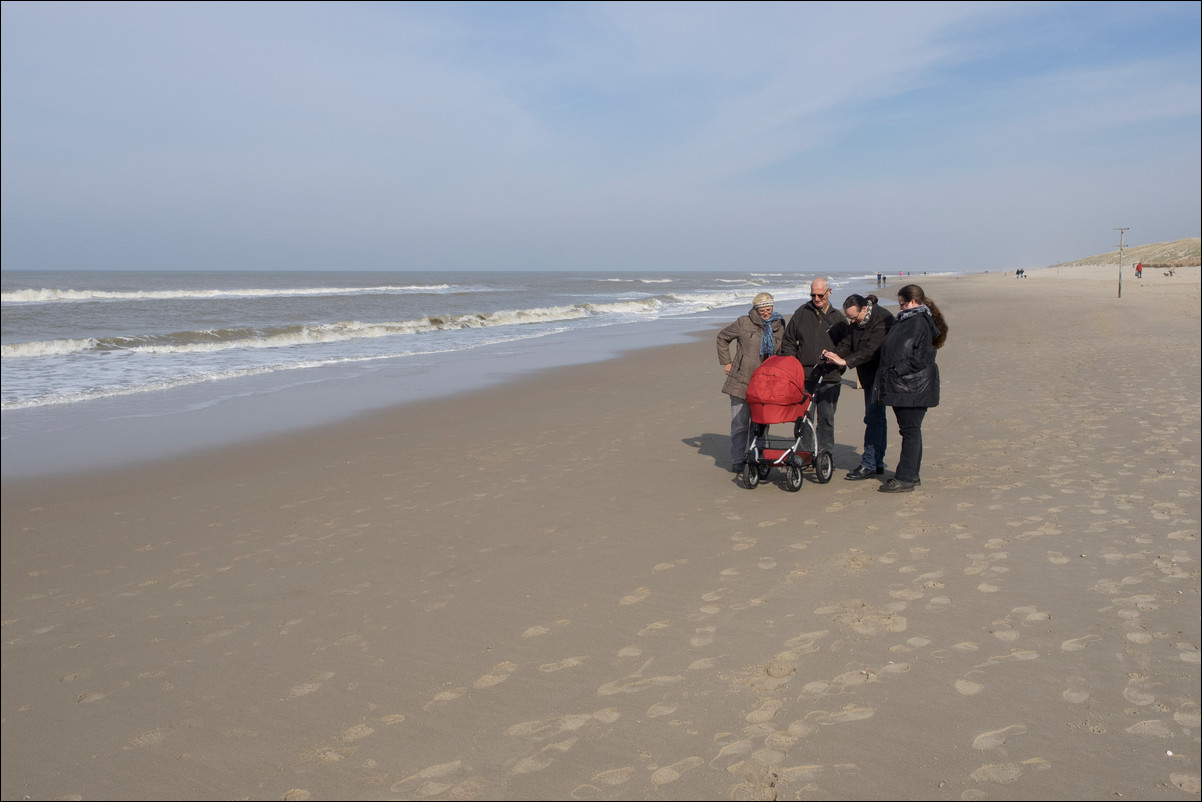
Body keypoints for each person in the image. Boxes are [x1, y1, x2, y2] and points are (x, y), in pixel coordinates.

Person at [873, 284, 949, 493]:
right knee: (910, 431)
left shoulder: (918, 321)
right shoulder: (911, 320)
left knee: (910, 431)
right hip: (907, 386)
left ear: (913, 302)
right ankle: (911, 474)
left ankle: (906, 477)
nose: (900, 308)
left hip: (912, 386)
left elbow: (923, 356)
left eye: (902, 304)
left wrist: (898, 369)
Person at [820, 293, 895, 480]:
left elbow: (870, 351)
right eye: (848, 318)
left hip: (882, 375)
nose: (851, 321)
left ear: (864, 309)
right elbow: (848, 343)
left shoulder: (882, 319)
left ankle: (869, 463)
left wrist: (845, 362)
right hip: (868, 375)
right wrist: (833, 355)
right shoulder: (856, 323)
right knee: (877, 418)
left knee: (872, 418)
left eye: (853, 317)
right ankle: (877, 462)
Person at [716, 292, 786, 473]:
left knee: (761, 425)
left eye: (768, 308)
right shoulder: (743, 323)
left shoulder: (779, 325)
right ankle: (738, 460)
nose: (766, 312)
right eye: (762, 309)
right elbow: (722, 338)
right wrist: (727, 362)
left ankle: (758, 457)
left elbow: (785, 351)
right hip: (742, 381)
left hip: (766, 385)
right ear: (756, 308)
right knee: (740, 424)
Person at [780, 278, 847, 461]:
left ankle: (824, 455)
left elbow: (847, 345)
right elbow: (789, 341)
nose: (817, 298)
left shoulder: (838, 318)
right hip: (804, 377)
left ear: (829, 292)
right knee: (803, 418)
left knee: (826, 419)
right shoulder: (801, 313)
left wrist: (836, 364)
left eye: (820, 295)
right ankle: (803, 454)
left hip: (830, 377)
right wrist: (792, 366)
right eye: (813, 295)